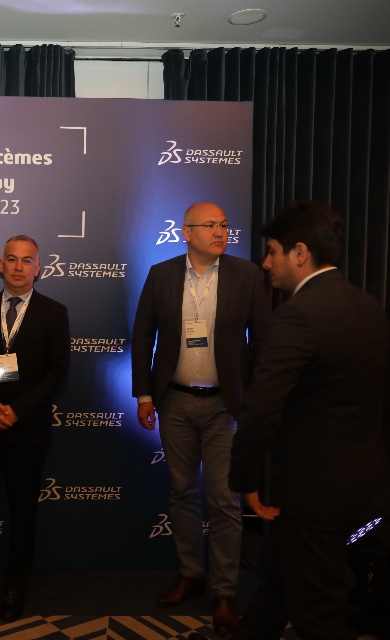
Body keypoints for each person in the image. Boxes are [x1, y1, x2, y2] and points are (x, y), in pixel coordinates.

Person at [230, 201, 390, 640]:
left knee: (319, 618)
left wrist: (245, 480)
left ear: (300, 253)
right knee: (274, 595)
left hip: (313, 496)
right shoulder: (368, 306)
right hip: (361, 485)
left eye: (272, 252)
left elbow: (261, 409)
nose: (266, 263)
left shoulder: (297, 316)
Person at [131, 201, 271, 636]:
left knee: (225, 500)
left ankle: (225, 591)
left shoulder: (247, 276)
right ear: (186, 233)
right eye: (210, 225)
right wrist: (144, 394)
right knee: (182, 493)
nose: (220, 232)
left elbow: (264, 341)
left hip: (225, 405)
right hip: (174, 402)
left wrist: (256, 400)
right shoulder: (161, 274)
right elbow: (143, 336)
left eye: (224, 225)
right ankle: (191, 573)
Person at [0, 235, 70, 621]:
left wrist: (18, 411)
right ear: (0, 264)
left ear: (38, 268)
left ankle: (13, 587)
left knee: (22, 511)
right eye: (12, 259)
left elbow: (57, 371)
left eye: (26, 260)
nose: (19, 267)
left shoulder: (54, 313)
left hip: (27, 430)